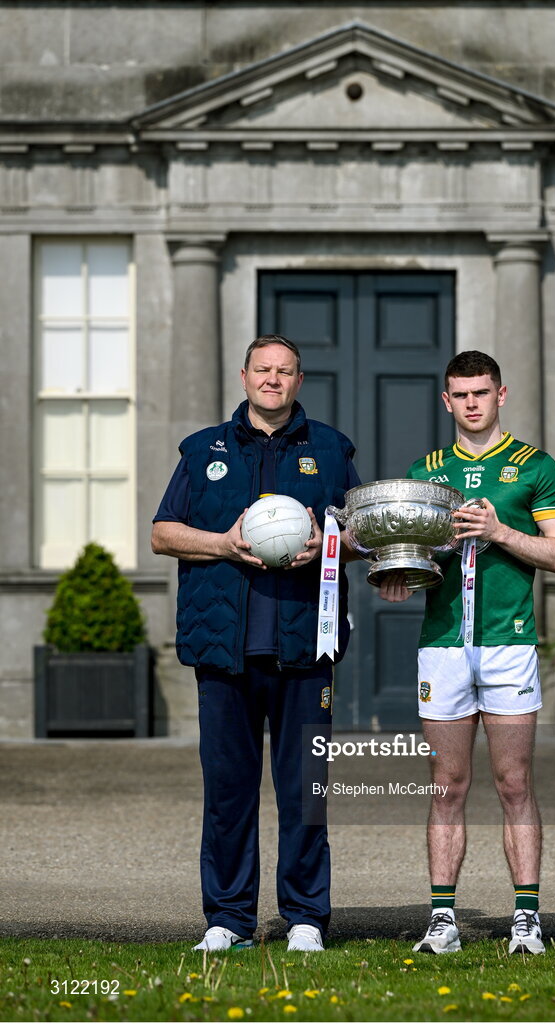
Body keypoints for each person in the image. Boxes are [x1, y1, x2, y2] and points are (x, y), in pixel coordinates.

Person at [152, 334, 360, 954]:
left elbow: (362, 533)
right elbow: (163, 534)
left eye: (285, 371)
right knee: (228, 792)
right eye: (263, 369)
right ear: (244, 376)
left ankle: (303, 918)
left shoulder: (329, 448)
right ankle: (228, 919)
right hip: (224, 651)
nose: (273, 380)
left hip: (305, 648)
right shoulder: (201, 451)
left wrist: (325, 542)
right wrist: (222, 543)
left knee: (306, 793)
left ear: (299, 381)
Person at [380, 350, 555, 956]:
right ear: (446, 400)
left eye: (481, 392)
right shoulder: (425, 471)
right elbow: (419, 559)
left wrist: (500, 533)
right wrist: (399, 576)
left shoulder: (535, 468)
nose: (471, 403)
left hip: (509, 643)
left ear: (501, 394)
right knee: (446, 786)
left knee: (514, 783)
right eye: (460, 394)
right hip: (441, 648)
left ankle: (526, 919)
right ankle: (443, 921)